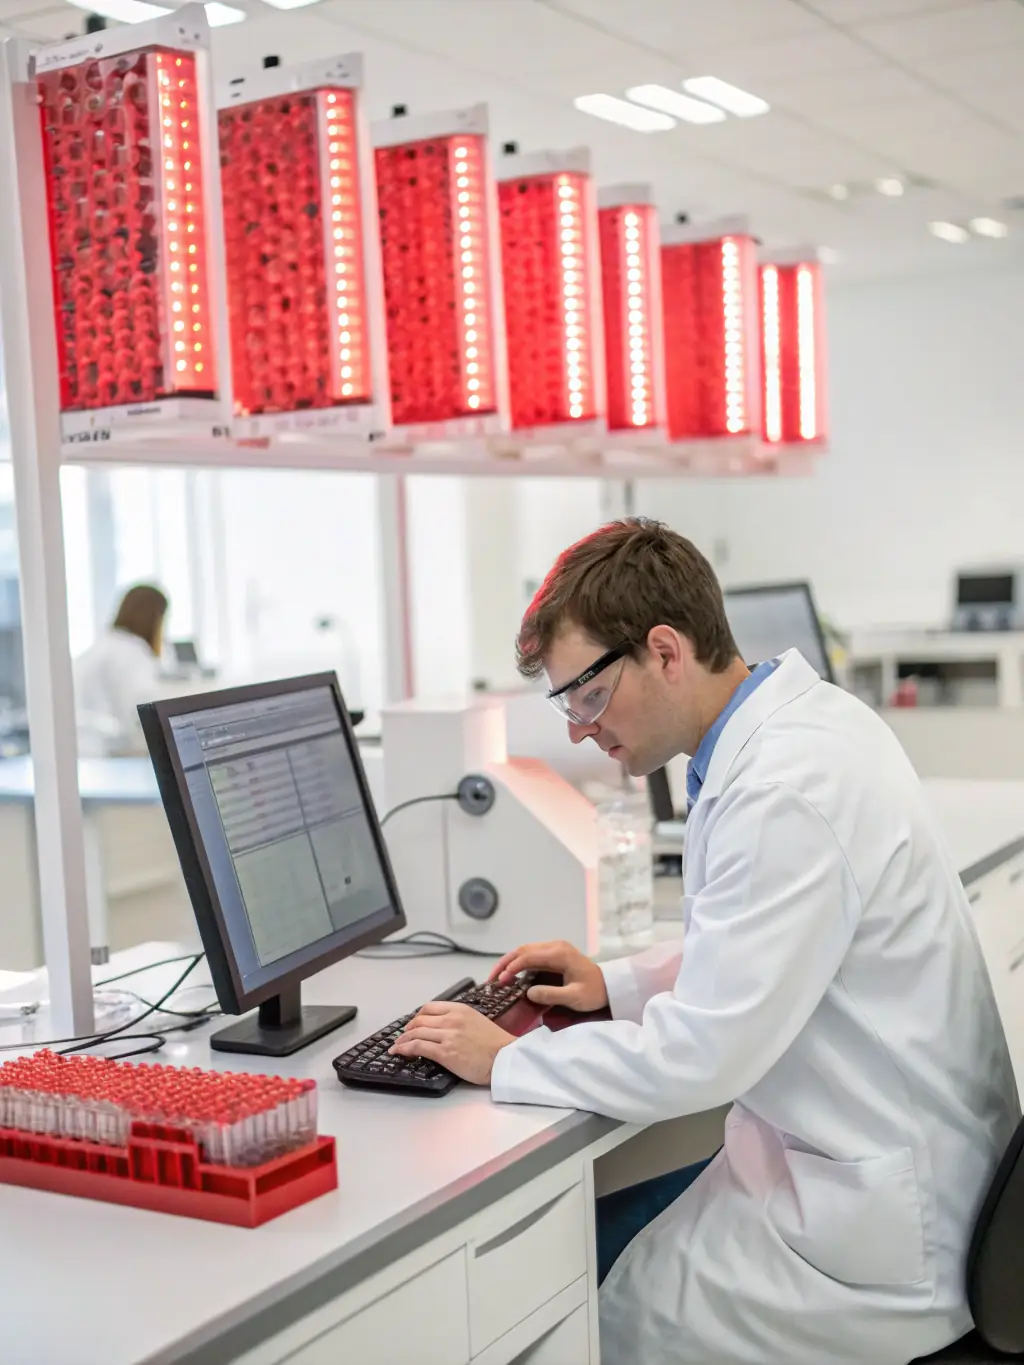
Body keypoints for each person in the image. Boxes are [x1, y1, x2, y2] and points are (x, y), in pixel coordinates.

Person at [391, 518, 1020, 1365]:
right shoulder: (798, 729)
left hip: (883, 1233)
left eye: (586, 694)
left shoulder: (784, 787)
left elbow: (705, 1057)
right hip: (869, 1167)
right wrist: (617, 985)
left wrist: (501, 1058)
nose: (580, 728)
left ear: (663, 649)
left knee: (581, 1308)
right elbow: (766, 941)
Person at [73, 584, 169, 757]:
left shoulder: (104, 645)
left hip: (86, 751)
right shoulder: (133, 652)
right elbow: (142, 713)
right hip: (111, 754)